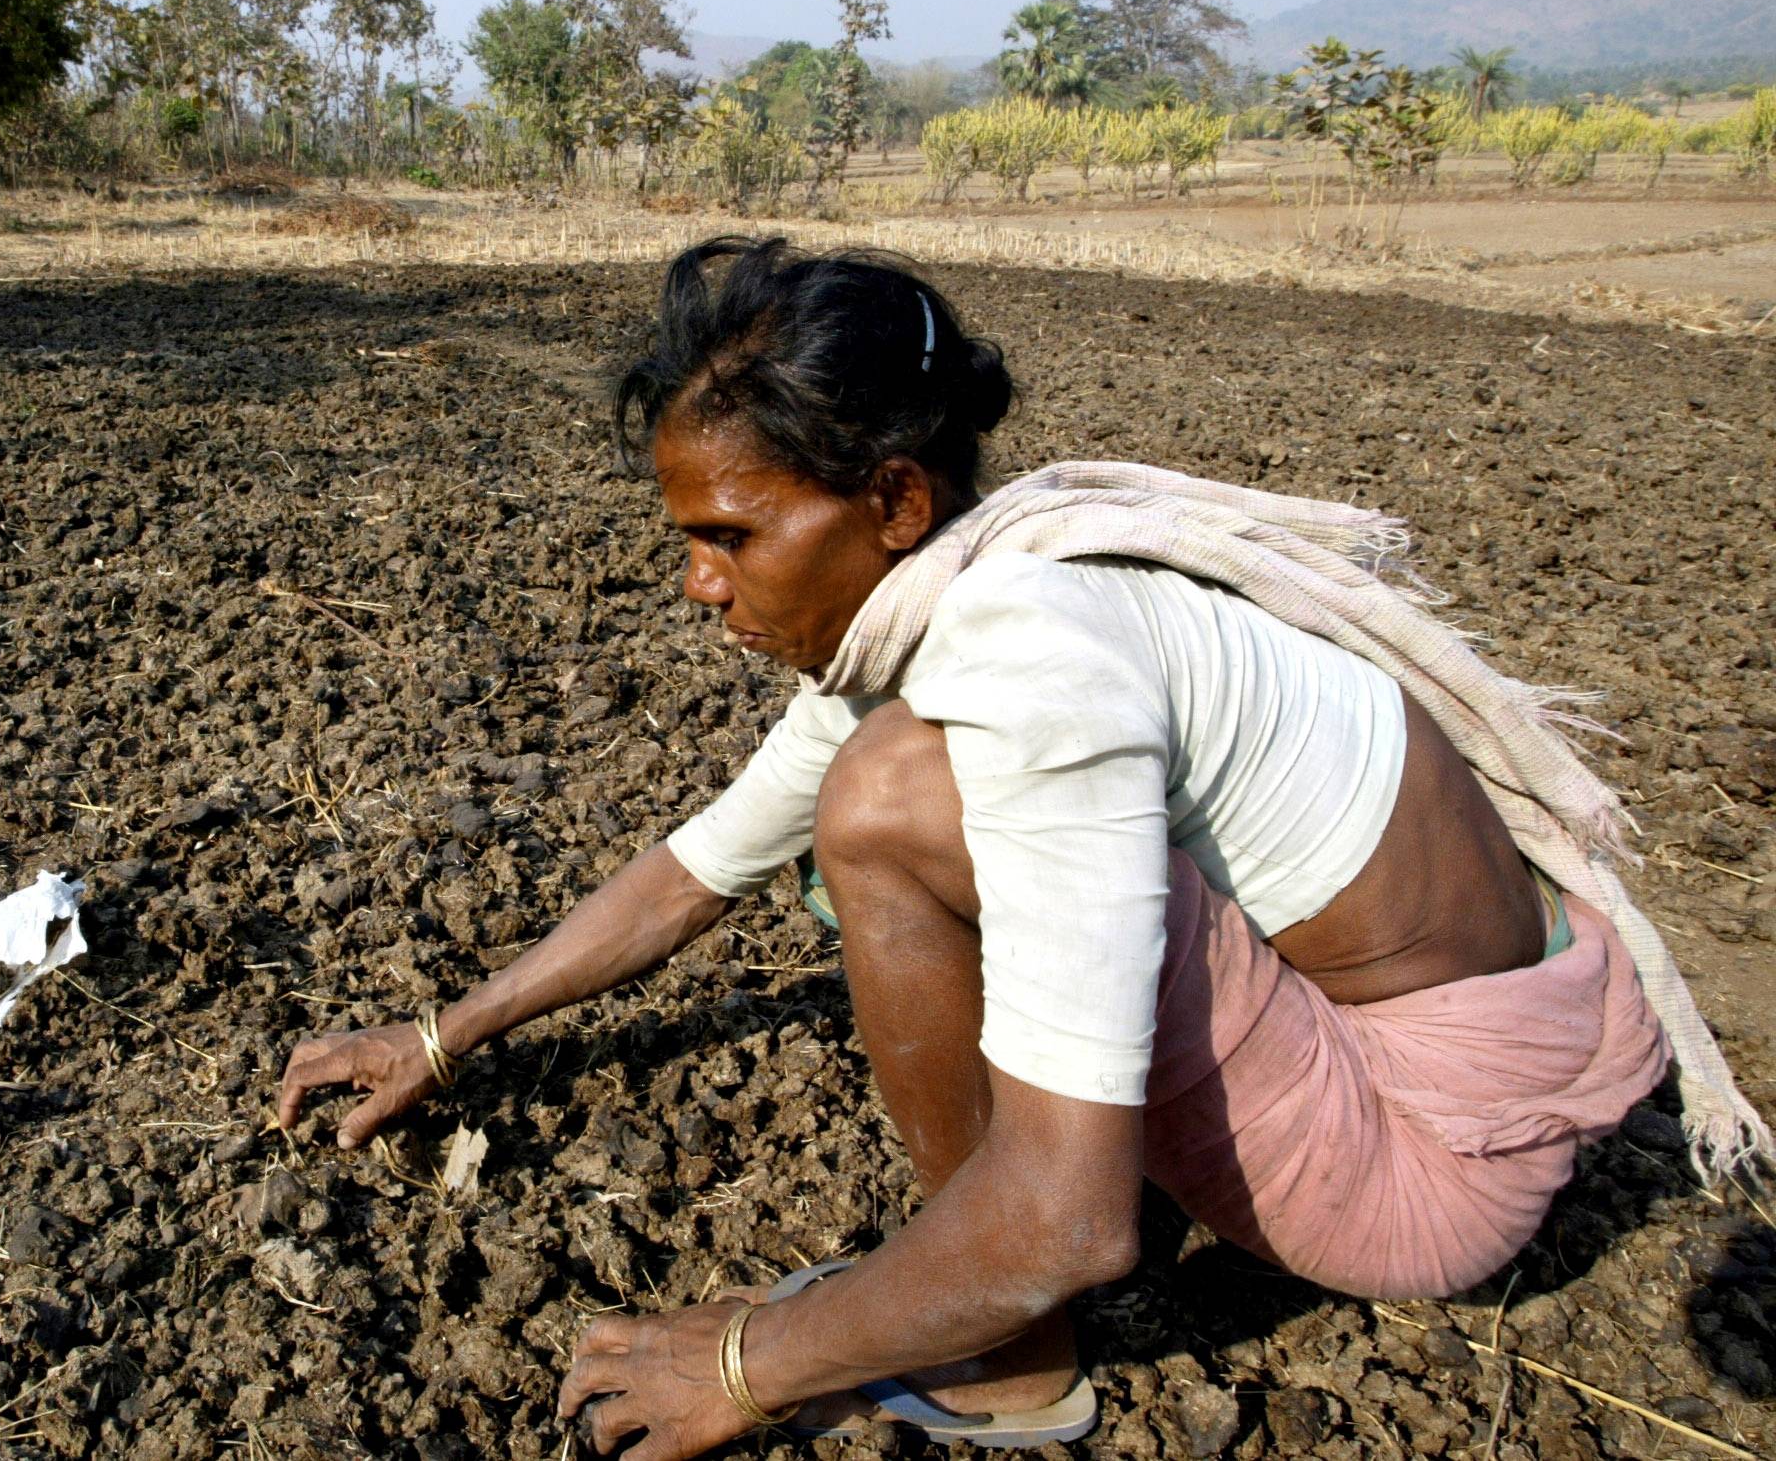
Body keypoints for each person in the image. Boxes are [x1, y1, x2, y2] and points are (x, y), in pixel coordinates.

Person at [276, 237, 1760, 1459]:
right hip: (1440, 1057)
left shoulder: (1029, 657)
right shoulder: (977, 586)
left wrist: (750, 1359)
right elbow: (699, 867)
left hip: (1427, 1164)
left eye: (731, 533)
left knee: (885, 811)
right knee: (873, 791)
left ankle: (1003, 1367)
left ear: (894, 501)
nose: (696, 584)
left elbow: (1061, 1217)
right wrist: (441, 1034)